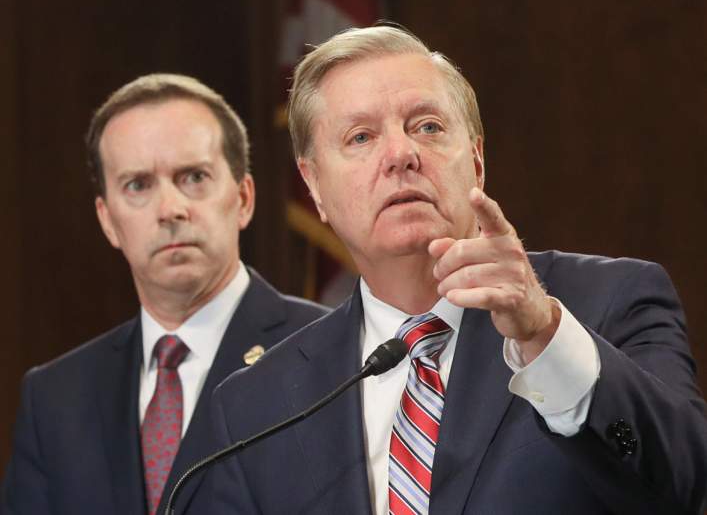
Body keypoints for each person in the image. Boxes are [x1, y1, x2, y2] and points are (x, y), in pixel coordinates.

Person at [205, 26, 707, 514]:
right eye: (360, 137)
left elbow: (685, 484)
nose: (401, 154)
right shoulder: (256, 406)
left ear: (477, 160)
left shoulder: (613, 301)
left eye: (428, 126)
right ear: (313, 186)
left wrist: (544, 337)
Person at [1, 74, 328, 515]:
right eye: (138, 185)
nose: (170, 209)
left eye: (193, 177)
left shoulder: (328, 351)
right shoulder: (54, 396)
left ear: (244, 198)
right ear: (108, 220)